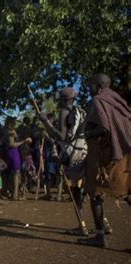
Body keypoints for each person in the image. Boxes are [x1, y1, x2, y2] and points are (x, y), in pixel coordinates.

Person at [78, 73, 131, 248]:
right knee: (127, 193)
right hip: (122, 155)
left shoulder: (98, 101)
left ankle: (100, 237)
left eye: (90, 86)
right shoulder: (117, 100)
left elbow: (103, 127)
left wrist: (87, 134)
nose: (88, 89)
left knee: (95, 193)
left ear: (98, 85)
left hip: (105, 157)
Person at [39, 87, 92, 236]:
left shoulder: (64, 112)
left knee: (75, 191)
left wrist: (46, 123)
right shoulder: (81, 111)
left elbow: (61, 137)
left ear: (62, 99)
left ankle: (82, 226)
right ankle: (103, 223)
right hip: (85, 151)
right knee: (92, 190)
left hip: (72, 154)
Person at [4, 116, 32, 201]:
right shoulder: (10, 132)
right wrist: (24, 141)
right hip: (13, 152)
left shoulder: (10, 131)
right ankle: (15, 194)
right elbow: (12, 144)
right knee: (16, 173)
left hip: (12, 152)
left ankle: (12, 192)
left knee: (13, 173)